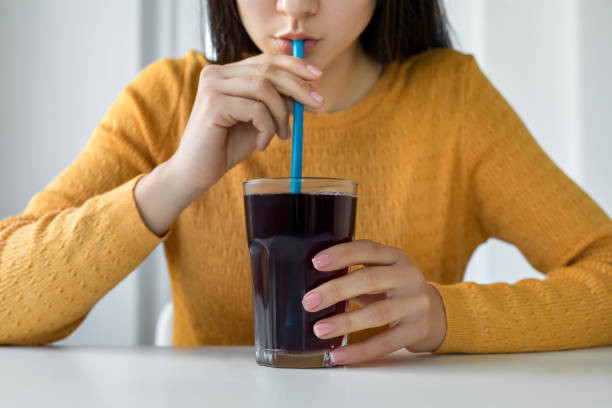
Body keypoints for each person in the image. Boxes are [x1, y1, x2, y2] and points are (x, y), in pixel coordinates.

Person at [1, 0, 610, 365]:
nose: (295, 6)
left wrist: (447, 316)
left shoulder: (452, 104)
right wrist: (179, 177)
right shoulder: (169, 102)